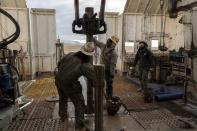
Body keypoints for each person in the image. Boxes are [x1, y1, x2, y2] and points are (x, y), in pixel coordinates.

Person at [55, 43, 97, 129]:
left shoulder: (70, 54)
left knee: (63, 98)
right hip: (69, 83)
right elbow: (94, 80)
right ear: (90, 55)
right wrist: (98, 84)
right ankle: (79, 124)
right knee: (79, 103)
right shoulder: (85, 64)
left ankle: (63, 116)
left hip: (58, 79)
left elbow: (59, 64)